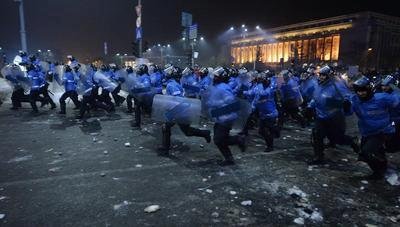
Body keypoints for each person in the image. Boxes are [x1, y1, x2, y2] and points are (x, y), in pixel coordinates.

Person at [346, 76, 398, 179]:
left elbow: (397, 102)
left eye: (363, 91)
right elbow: (348, 112)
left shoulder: (382, 98)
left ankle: (380, 171)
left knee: (367, 152)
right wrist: (346, 106)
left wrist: (395, 89)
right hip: (367, 132)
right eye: (358, 91)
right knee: (363, 154)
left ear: (369, 89)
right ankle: (381, 165)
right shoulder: (355, 100)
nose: (361, 93)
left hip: (383, 131)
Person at [307, 65, 359, 165]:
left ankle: (352, 141)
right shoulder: (319, 84)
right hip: (320, 115)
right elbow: (316, 97)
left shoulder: (337, 85)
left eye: (324, 75)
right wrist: (310, 106)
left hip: (334, 116)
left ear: (329, 75)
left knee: (337, 138)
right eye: (320, 75)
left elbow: (347, 96)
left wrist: (347, 104)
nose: (321, 77)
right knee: (317, 135)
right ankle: (319, 156)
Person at [158, 66, 211, 155]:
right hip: (180, 110)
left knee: (166, 127)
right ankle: (205, 133)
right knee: (187, 131)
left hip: (178, 111)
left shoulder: (172, 85)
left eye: (170, 72)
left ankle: (165, 149)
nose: (167, 73)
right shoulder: (174, 83)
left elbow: (178, 100)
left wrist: (171, 113)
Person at [206, 67, 247, 166]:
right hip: (220, 116)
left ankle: (238, 140)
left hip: (225, 117)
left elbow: (230, 101)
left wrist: (214, 103)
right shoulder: (218, 86)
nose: (214, 78)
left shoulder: (224, 87)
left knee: (219, 140)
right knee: (218, 140)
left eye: (216, 76)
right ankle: (229, 158)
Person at [244, 73, 279, 152]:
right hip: (263, 113)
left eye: (261, 80)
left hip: (270, 112)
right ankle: (274, 135)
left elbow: (264, 94)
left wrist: (259, 86)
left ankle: (270, 146)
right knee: (262, 131)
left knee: (266, 130)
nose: (260, 81)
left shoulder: (270, 88)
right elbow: (254, 96)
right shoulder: (259, 87)